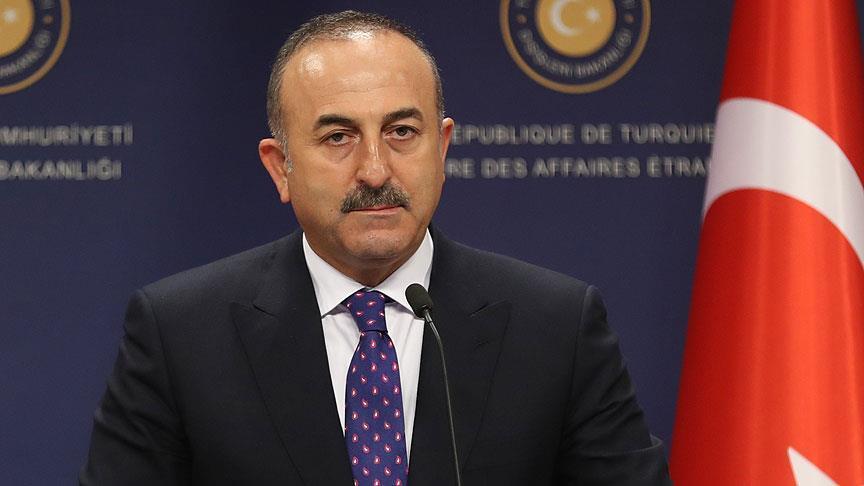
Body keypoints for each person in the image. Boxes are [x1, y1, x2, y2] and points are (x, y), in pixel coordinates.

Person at [80, 10, 670, 485]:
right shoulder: (181, 334)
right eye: (339, 137)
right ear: (280, 167)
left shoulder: (557, 326)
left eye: (401, 132)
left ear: (442, 148)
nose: (375, 170)